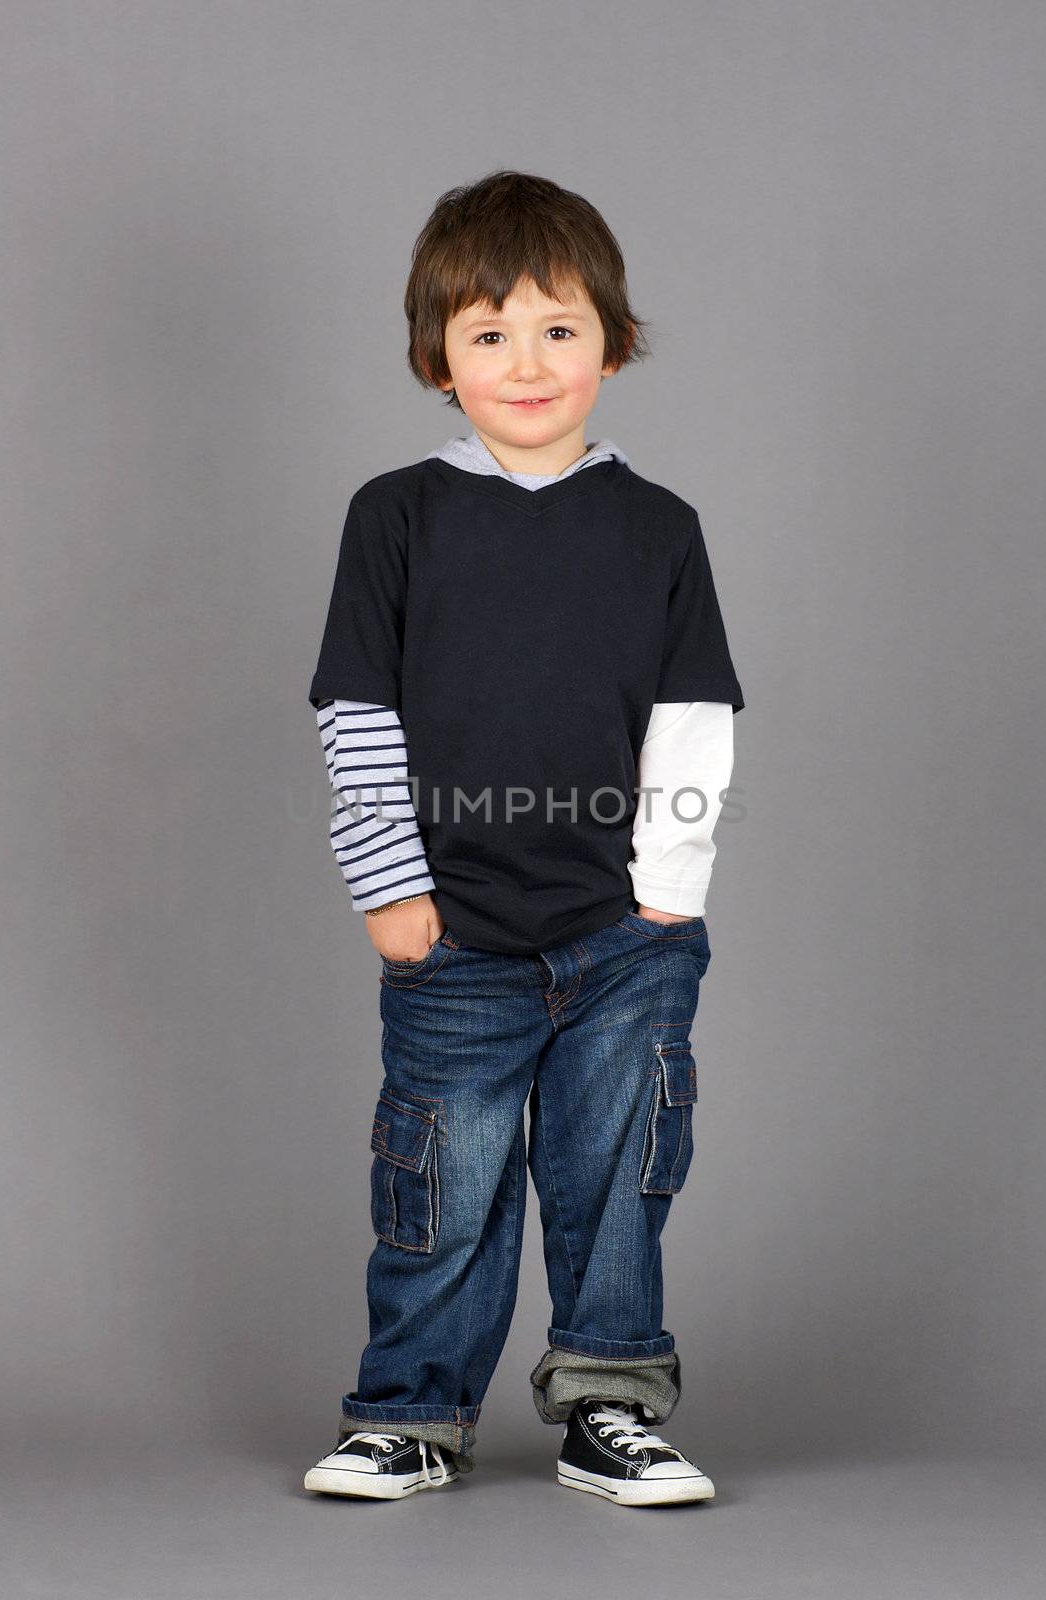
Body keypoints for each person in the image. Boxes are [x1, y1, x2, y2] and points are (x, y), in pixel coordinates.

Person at [302, 170, 745, 1507]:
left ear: (612, 340)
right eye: (488, 333)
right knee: (446, 1178)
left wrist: (667, 892)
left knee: (617, 1177)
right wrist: (391, 892)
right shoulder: (399, 517)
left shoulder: (660, 529)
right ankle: (410, 1414)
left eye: (559, 328)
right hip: (455, 932)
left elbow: (695, 715)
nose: (527, 360)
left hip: (624, 938)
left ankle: (611, 1404)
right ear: (437, 359)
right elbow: (356, 707)